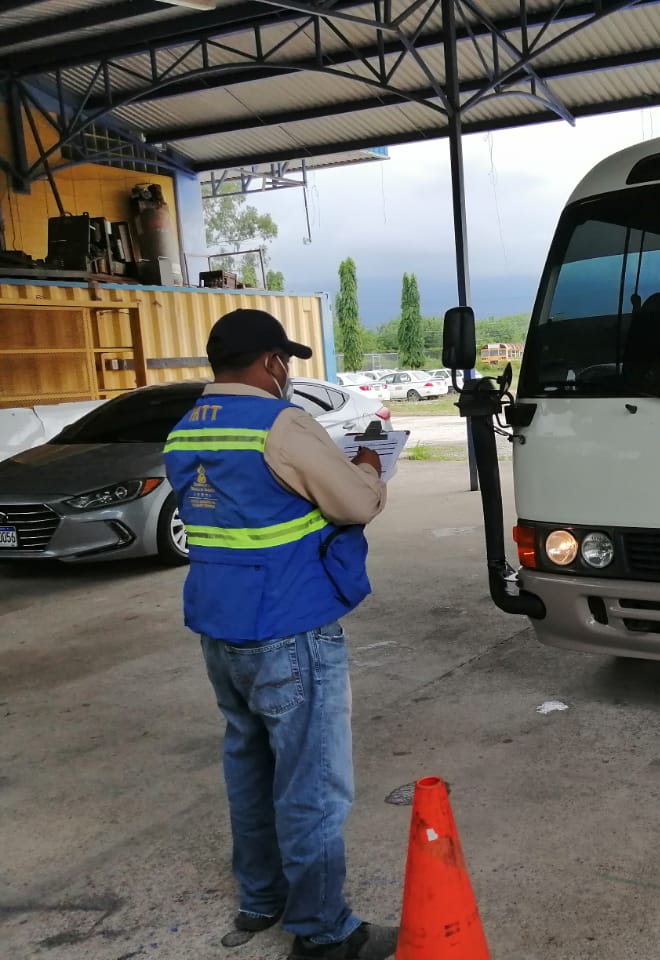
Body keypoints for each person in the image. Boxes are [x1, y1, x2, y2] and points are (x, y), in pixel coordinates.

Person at [163, 308, 397, 960]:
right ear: (271, 362)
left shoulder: (185, 429)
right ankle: (323, 932)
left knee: (249, 764)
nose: (286, 372)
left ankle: (261, 897)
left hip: (220, 625)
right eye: (284, 362)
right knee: (312, 781)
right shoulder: (282, 424)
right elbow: (354, 503)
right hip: (288, 627)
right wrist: (369, 467)